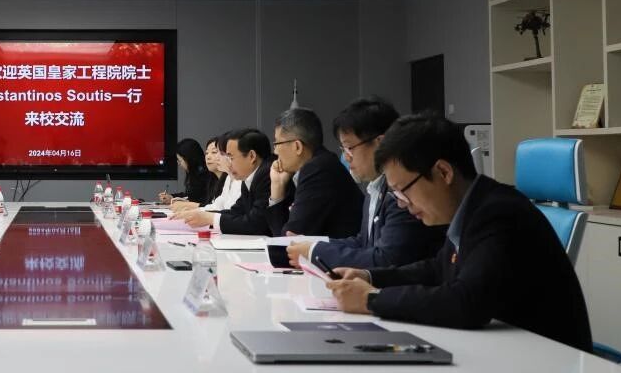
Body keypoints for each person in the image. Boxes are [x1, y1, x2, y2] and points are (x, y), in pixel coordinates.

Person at [323, 113, 611, 373]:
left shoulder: (499, 215)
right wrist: (371, 277)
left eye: (403, 191)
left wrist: (373, 301)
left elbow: (465, 303)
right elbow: (436, 270)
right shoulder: (475, 210)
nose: (403, 204)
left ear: (442, 172)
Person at [284, 97, 444, 269]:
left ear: (380, 143)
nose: (346, 157)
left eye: (349, 148)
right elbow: (364, 241)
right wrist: (312, 244)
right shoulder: (374, 187)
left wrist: (314, 251)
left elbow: (386, 259)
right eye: (343, 149)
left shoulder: (401, 191)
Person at [266, 107, 362, 239]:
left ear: (297, 146)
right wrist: (278, 185)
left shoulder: (318, 170)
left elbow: (288, 240)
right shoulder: (319, 164)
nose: (275, 151)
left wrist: (276, 190)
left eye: (277, 143)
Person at [175, 129, 271, 234]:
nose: (228, 163)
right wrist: (202, 215)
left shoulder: (267, 175)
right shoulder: (247, 179)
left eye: (231, 157)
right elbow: (235, 212)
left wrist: (210, 218)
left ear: (251, 156)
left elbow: (255, 223)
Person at [157, 138, 213, 205]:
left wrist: (173, 199)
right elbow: (190, 195)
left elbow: (195, 199)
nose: (178, 163)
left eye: (180, 160)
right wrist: (172, 197)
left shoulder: (204, 174)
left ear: (189, 159)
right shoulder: (194, 172)